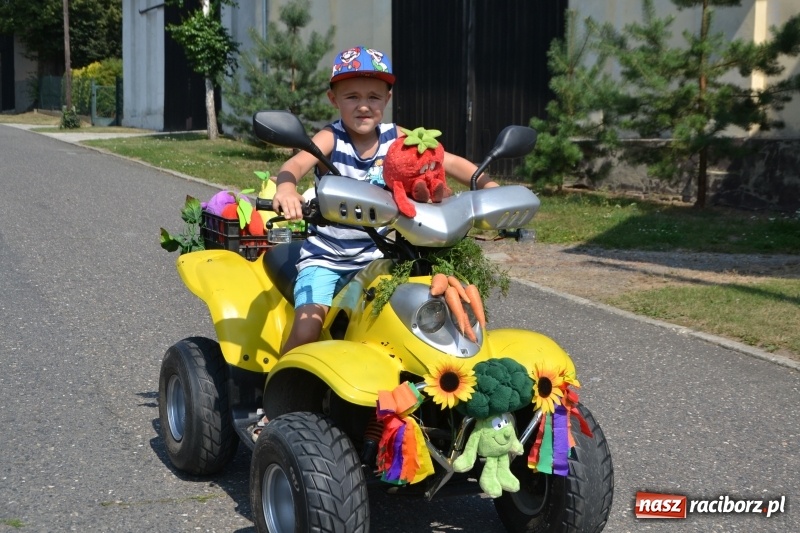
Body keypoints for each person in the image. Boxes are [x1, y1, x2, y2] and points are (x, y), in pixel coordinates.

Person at [271, 46, 499, 355]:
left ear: (387, 100)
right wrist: (286, 190)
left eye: (373, 97)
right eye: (352, 97)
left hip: (381, 258)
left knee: (415, 316)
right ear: (333, 99)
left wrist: (488, 185)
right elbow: (294, 165)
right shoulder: (331, 138)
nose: (363, 106)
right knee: (308, 327)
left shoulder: (397, 138)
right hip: (329, 258)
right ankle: (281, 391)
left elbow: (446, 160)